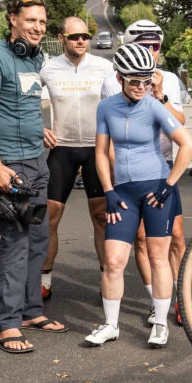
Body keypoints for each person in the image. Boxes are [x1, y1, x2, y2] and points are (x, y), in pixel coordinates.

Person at [0, 0, 67, 354]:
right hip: (10, 163)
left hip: (37, 161)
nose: (38, 28)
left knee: (38, 238)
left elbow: (24, 103)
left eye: (42, 22)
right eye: (30, 21)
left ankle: (30, 311)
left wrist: (37, 130)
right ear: (12, 18)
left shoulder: (35, 58)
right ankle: (8, 324)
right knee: (15, 242)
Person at [87, 43, 192, 348]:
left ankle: (160, 325)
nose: (141, 87)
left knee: (159, 257)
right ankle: (110, 325)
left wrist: (169, 184)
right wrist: (108, 190)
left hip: (156, 190)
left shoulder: (153, 106)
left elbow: (188, 146)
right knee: (113, 260)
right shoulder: (106, 107)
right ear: (119, 77)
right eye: (135, 81)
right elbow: (100, 152)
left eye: (146, 81)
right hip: (121, 192)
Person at [39, 17, 118, 301]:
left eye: (85, 36)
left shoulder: (104, 67)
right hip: (63, 149)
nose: (81, 41)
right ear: (62, 38)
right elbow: (29, 102)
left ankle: (106, 277)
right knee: (49, 217)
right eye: (74, 37)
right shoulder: (48, 69)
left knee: (101, 217)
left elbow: (118, 105)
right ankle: (44, 278)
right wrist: (40, 128)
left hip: (95, 149)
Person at [123, 20, 187, 319]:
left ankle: (181, 299)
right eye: (144, 46)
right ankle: (155, 299)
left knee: (175, 235)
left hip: (164, 165)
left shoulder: (170, 79)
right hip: (132, 169)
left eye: (156, 46)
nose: (151, 51)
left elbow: (180, 122)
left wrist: (159, 94)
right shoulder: (117, 81)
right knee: (141, 238)